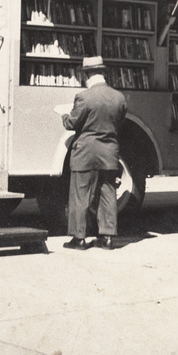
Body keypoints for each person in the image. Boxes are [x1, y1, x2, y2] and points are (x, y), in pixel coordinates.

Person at [61, 56, 128, 250]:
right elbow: (119, 122)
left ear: (88, 75)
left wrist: (64, 115)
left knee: (80, 194)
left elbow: (72, 123)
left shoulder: (84, 97)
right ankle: (107, 237)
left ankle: (79, 238)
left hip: (86, 152)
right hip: (109, 151)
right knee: (108, 193)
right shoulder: (119, 97)